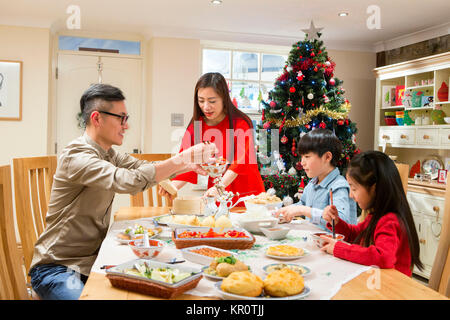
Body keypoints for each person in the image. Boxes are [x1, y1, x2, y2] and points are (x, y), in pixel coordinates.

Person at [28, 84, 218, 300]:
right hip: (58, 268)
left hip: (94, 261)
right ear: (97, 118)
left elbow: (140, 168)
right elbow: (127, 181)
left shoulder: (109, 154)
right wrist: (183, 158)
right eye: (121, 118)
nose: (126, 126)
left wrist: (187, 164)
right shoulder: (77, 155)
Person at [159, 72, 265, 205]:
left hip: (247, 194)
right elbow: (186, 161)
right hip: (217, 194)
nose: (206, 107)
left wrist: (218, 187)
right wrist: (174, 186)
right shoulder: (196, 126)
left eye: (212, 101)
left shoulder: (241, 123)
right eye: (201, 101)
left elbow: (239, 163)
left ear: (224, 99)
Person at [320, 151, 423, 277]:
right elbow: (357, 234)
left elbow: (382, 257)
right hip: (379, 281)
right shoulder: (377, 216)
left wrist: (339, 249)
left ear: (374, 188)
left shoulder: (389, 220)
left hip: (393, 289)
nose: (351, 195)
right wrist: (336, 222)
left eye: (354, 189)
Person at [273, 129, 357, 230]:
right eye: (302, 157)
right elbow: (302, 205)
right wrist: (284, 212)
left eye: (307, 156)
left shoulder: (339, 186)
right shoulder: (312, 183)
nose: (302, 162)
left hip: (334, 244)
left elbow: (340, 221)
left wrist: (303, 210)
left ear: (327, 157)